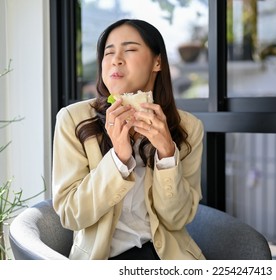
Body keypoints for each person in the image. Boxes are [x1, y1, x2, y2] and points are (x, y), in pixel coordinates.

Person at [52, 19, 205, 260]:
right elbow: (71, 214)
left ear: (157, 62)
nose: (116, 59)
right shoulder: (73, 119)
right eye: (108, 52)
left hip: (167, 257)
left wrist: (166, 153)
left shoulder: (189, 128)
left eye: (130, 49)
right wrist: (119, 158)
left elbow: (177, 219)